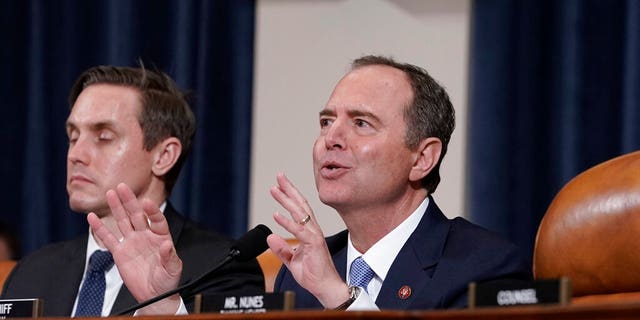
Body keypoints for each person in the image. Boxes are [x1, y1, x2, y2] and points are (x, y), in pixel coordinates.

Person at [266, 55, 532, 310]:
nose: (330, 138)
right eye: (326, 121)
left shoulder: (484, 267)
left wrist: (339, 298)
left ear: (422, 159)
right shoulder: (297, 278)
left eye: (361, 123)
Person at [1, 65, 264, 316]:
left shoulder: (222, 267)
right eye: (73, 137)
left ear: (163, 156)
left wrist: (163, 308)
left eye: (104, 136)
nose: (76, 154)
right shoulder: (31, 271)